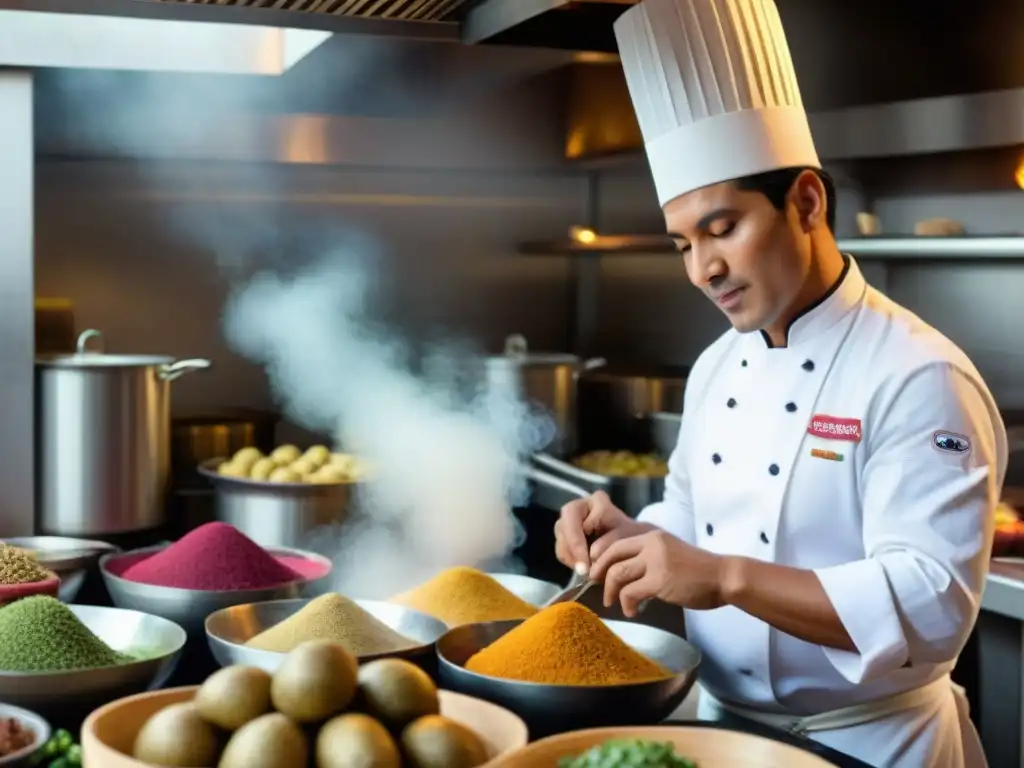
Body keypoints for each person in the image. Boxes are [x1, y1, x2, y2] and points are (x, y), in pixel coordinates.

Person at [553, 1, 1007, 766]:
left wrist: (726, 578)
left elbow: (931, 605)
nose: (703, 270)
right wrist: (636, 538)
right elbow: (699, 516)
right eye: (684, 243)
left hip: (873, 745)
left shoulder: (916, 373)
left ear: (805, 202)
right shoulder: (714, 366)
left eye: (723, 227)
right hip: (719, 733)